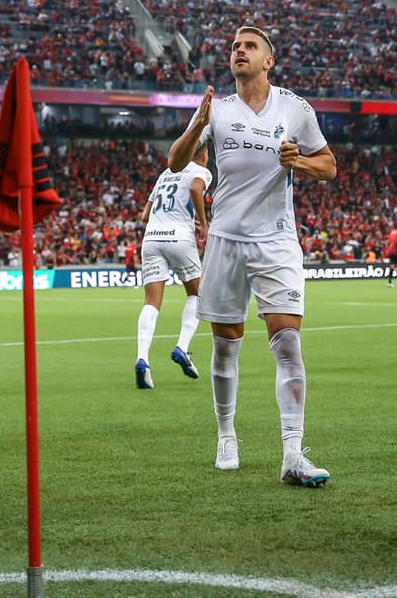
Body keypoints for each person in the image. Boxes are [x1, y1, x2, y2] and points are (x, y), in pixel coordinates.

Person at [168, 26, 337, 487]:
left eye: (250, 46)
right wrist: (197, 124)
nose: (239, 50)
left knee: (287, 342)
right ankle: (227, 435)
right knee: (226, 344)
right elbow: (176, 162)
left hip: (277, 240)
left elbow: (329, 165)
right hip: (225, 238)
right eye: (235, 46)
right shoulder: (217, 110)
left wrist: (298, 162)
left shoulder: (294, 108)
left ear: (268, 62)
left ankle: (293, 454)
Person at [133, 143, 212, 389]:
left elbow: (144, 216)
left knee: (151, 304)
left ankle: (142, 359)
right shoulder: (200, 170)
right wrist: (203, 222)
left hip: (152, 238)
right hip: (179, 237)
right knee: (197, 295)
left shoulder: (164, 173)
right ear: (204, 154)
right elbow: (195, 188)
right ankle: (182, 347)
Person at [383, 221, 397, 287]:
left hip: (391, 250)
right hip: (396, 251)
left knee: (392, 266)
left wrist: (387, 248)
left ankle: (389, 282)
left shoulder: (392, 232)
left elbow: (388, 241)